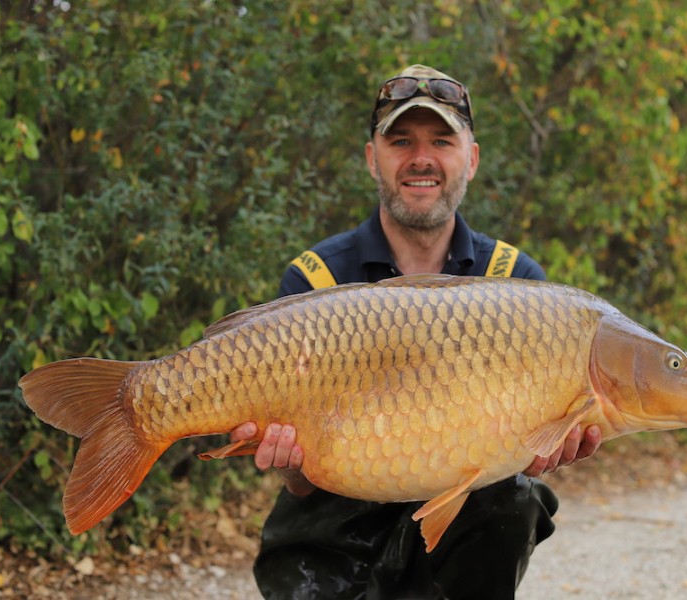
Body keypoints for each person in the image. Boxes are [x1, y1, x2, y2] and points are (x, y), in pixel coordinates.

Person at [229, 64, 602, 599]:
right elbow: (303, 482)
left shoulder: (518, 284)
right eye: (401, 140)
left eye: (442, 141)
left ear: (470, 159)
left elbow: (531, 454)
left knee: (514, 497)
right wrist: (290, 465)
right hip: (334, 523)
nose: (421, 159)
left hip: (461, 520)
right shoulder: (315, 279)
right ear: (371, 158)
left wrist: (552, 441)